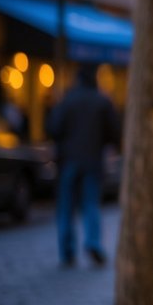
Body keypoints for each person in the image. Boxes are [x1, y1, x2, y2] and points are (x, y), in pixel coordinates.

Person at [46, 62, 120, 268]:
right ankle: (93, 242)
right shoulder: (101, 101)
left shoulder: (67, 100)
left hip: (68, 160)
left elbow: (53, 127)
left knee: (66, 206)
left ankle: (66, 250)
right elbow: (114, 132)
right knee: (90, 203)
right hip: (92, 160)